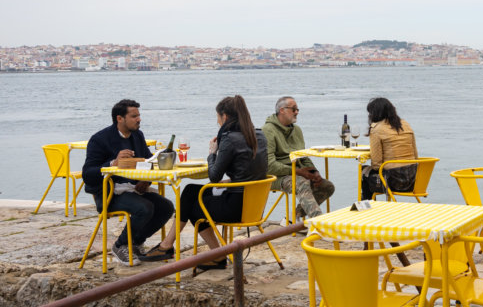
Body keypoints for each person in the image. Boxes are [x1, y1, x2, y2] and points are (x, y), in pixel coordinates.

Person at [142, 95, 267, 271]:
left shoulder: (230, 138)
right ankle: (167, 245)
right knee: (190, 191)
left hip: (236, 208)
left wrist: (212, 153)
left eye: (218, 118)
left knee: (194, 208)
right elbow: (256, 169)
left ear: (225, 117)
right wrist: (232, 179)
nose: (218, 123)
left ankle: (216, 255)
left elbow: (214, 176)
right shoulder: (260, 135)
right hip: (254, 205)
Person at [82, 99, 174, 265]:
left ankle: (135, 242)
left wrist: (146, 181)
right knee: (145, 208)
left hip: (134, 188)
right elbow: (87, 174)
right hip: (108, 193)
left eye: (139, 115)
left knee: (166, 207)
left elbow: (147, 161)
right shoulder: (99, 139)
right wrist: (113, 163)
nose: (139, 119)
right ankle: (120, 245)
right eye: (134, 116)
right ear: (120, 119)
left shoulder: (138, 135)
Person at [262, 96, 334, 224]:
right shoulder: (268, 130)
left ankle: (292, 217)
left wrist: (314, 172)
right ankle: (320, 225)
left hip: (296, 172)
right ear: (282, 110)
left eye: (297, 109)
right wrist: (299, 172)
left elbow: (303, 156)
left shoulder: (297, 130)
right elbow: (270, 165)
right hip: (275, 177)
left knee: (327, 186)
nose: (297, 112)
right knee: (301, 182)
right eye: (293, 109)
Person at [360, 97, 418, 200]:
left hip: (394, 182)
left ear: (375, 114)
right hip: (414, 179)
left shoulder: (376, 129)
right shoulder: (405, 124)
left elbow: (377, 164)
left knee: (364, 171)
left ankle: (367, 209)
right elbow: (415, 155)